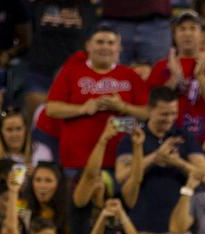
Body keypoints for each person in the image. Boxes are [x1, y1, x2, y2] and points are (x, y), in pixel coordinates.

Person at [116, 86, 205, 234]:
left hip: (179, 233)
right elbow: (121, 175)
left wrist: (177, 162)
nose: (169, 119)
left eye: (174, 113)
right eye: (164, 114)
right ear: (150, 110)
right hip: (142, 231)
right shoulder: (133, 137)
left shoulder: (185, 138)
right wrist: (155, 157)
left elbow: (203, 174)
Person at [44, 26, 148, 171]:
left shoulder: (130, 75)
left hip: (119, 160)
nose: (105, 47)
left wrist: (122, 107)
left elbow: (146, 114)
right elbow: (51, 109)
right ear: (88, 46)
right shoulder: (70, 73)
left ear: (119, 47)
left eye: (110, 43)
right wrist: (82, 109)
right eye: (99, 42)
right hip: (77, 160)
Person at [148, 10, 205, 144]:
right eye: (182, 29)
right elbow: (150, 110)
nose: (187, 33)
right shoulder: (161, 66)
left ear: (201, 34)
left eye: (193, 28)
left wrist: (200, 75)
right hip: (166, 141)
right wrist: (174, 78)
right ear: (174, 35)